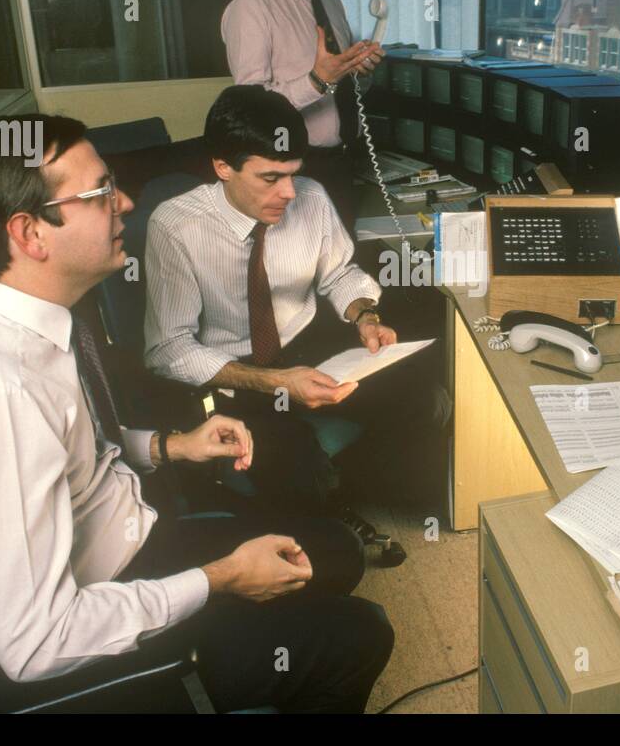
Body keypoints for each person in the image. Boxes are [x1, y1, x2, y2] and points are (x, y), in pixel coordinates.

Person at [0, 113, 392, 712]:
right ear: (31, 234)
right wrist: (220, 578)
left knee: (332, 552)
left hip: (120, 542)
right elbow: (37, 644)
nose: (123, 202)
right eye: (98, 193)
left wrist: (173, 446)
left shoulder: (15, 315)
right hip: (66, 652)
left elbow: (70, 455)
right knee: (359, 633)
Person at [143, 86, 450, 517]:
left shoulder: (310, 196)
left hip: (308, 352)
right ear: (222, 167)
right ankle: (328, 498)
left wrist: (365, 315)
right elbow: (168, 349)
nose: (289, 192)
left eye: (293, 173)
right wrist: (276, 383)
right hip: (234, 376)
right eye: (270, 178)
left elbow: (340, 273)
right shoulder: (175, 227)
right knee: (298, 474)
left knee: (424, 401)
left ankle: (350, 484)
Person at [221, 0, 383, 228]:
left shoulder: (331, 0)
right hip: (291, 171)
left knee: (343, 270)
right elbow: (250, 116)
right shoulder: (251, 6)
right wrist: (317, 79)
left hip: (342, 165)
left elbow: (344, 87)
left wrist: (361, 75)